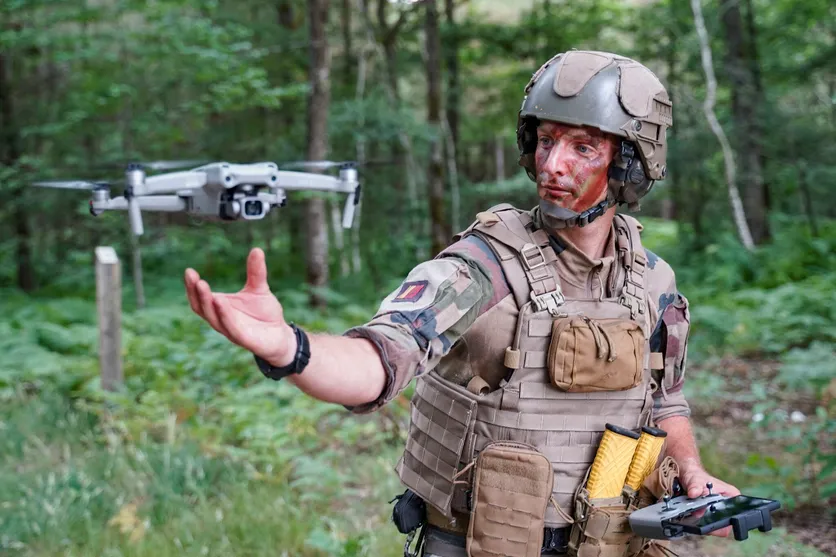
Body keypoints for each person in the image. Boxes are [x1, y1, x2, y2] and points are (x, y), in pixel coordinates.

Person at [184, 51, 740, 557]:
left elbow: (665, 403)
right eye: (546, 140)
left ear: (630, 164)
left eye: (582, 147)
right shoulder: (483, 268)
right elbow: (380, 358)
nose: (553, 164)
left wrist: (691, 473)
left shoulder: (651, 282)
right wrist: (291, 348)